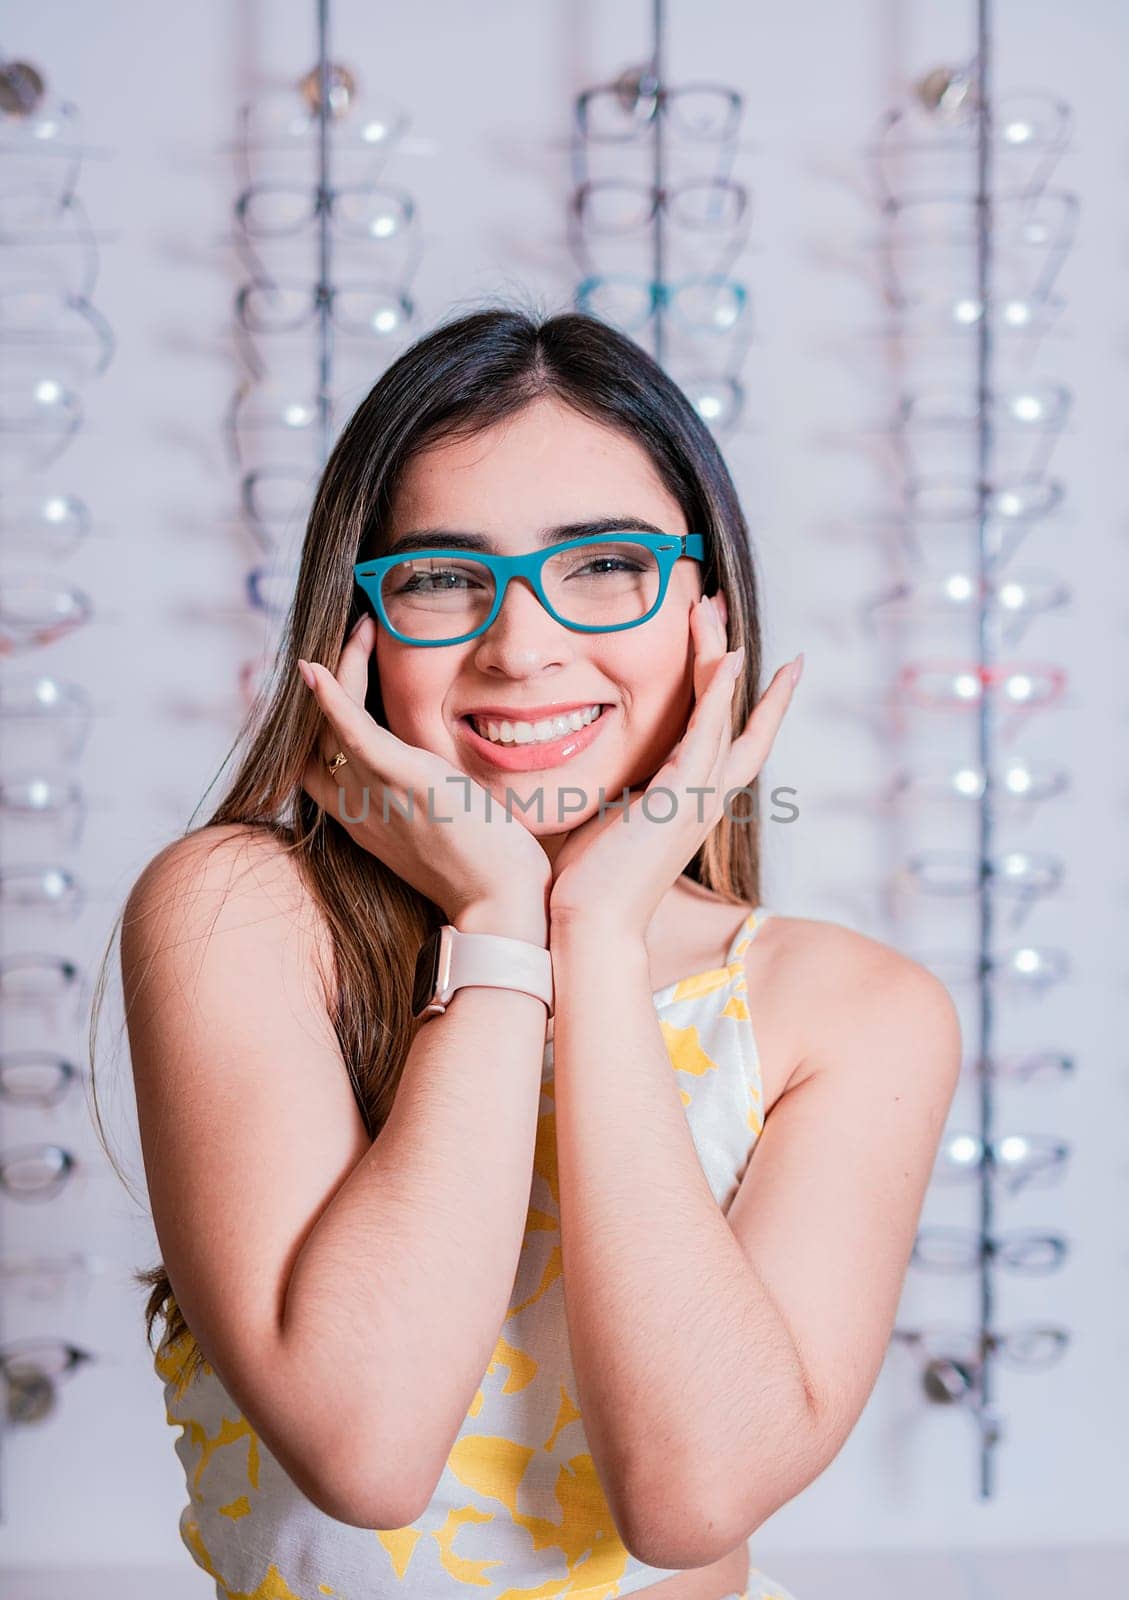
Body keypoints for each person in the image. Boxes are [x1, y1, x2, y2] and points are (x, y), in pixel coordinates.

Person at [102, 304, 962, 1600]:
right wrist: (501, 926)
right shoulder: (239, 914)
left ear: (706, 615)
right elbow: (367, 1450)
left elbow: (688, 1499)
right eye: (443, 578)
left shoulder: (847, 1015)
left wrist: (599, 936)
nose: (521, 646)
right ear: (360, 632)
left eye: (603, 563)